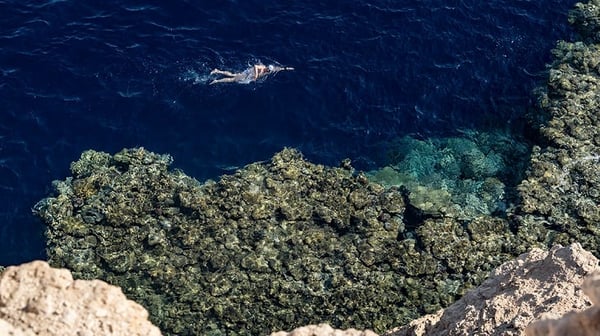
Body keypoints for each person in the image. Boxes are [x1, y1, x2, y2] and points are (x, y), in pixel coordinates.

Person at [209, 63, 294, 85]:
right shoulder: (263, 67)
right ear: (267, 67)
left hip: (250, 76)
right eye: (267, 69)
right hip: (248, 74)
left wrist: (288, 68)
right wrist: (256, 75)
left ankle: (217, 71)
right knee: (232, 79)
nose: (267, 70)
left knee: (233, 75)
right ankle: (217, 81)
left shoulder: (271, 70)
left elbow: (281, 68)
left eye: (268, 70)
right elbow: (256, 66)